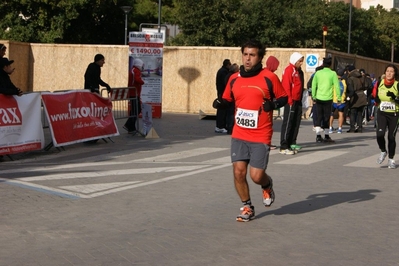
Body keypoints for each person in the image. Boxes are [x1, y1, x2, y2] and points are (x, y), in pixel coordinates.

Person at [217, 39, 288, 222]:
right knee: (238, 172)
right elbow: (227, 99)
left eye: (252, 55)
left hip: (260, 133)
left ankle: (267, 184)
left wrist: (272, 104)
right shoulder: (233, 78)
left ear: (260, 57)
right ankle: (247, 206)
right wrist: (220, 103)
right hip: (239, 133)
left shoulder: (269, 77)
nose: (248, 59)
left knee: (256, 176)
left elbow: (284, 98)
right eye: (245, 54)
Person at [372, 64, 399, 169]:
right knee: (379, 134)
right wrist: (376, 100)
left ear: (395, 73)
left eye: (391, 71)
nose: (389, 73)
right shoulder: (380, 83)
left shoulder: (397, 84)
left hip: (394, 114)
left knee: (391, 137)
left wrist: (395, 98)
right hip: (382, 112)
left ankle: (391, 159)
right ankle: (383, 151)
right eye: (387, 71)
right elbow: (375, 96)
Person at [311, 57, 341, 143]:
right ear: (330, 64)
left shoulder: (318, 73)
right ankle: (326, 135)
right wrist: (338, 98)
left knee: (319, 116)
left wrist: (313, 96)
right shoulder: (333, 74)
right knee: (326, 117)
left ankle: (318, 135)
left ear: (323, 64)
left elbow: (314, 85)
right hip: (328, 98)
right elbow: (337, 86)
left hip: (319, 97)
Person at [280, 52, 304, 154]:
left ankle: (291, 143)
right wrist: (289, 100)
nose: (301, 63)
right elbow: (286, 86)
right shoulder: (289, 70)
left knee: (295, 122)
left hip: (297, 100)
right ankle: (284, 145)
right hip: (291, 100)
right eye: (299, 61)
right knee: (288, 122)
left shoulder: (297, 71)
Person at [124, 58, 145, 133]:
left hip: (134, 93)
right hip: (134, 93)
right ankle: (129, 125)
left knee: (134, 110)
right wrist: (142, 82)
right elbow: (137, 79)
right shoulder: (136, 71)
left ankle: (131, 126)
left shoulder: (134, 70)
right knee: (137, 110)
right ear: (139, 65)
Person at [346, 65, 368, 133]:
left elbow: (351, 89)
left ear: (349, 71)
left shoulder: (350, 78)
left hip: (354, 96)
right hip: (362, 95)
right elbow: (367, 86)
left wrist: (348, 96)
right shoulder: (362, 77)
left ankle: (352, 127)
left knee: (352, 112)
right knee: (360, 112)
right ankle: (360, 127)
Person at [265, 56, 280, 150]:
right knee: (268, 125)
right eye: (276, 66)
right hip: (268, 103)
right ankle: (267, 143)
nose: (277, 68)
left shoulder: (261, 73)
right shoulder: (271, 76)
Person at [215, 59, 231, 133]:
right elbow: (225, 83)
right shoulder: (224, 72)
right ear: (227, 65)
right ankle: (220, 126)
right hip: (222, 93)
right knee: (222, 110)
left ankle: (220, 126)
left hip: (220, 92)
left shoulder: (221, 71)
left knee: (221, 110)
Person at [329, 68, 347, 134]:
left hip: (334, 99)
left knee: (331, 114)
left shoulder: (333, 80)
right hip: (342, 100)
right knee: (341, 114)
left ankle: (330, 128)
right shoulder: (344, 81)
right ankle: (340, 128)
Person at [224, 63, 239, 134]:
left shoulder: (228, 75)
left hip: (229, 97)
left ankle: (229, 127)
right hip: (231, 98)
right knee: (231, 114)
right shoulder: (233, 76)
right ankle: (230, 128)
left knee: (229, 113)